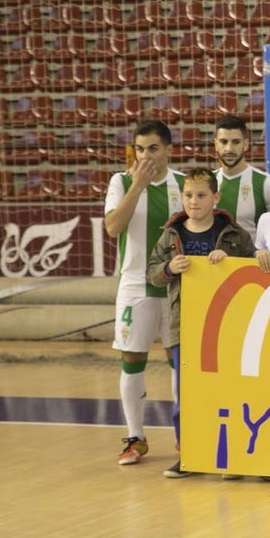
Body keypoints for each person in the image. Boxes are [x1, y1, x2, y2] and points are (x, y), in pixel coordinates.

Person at [146, 168, 256, 478]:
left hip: (228, 328)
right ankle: (190, 454)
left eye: (201, 195)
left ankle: (232, 456)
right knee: (188, 395)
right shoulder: (171, 235)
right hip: (186, 328)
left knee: (230, 393)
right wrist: (169, 267)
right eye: (188, 196)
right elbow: (152, 274)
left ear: (216, 197)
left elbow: (254, 272)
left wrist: (231, 263)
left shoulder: (234, 235)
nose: (194, 202)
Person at [103, 120, 184, 466]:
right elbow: (112, 228)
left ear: (168, 149)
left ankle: (187, 435)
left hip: (178, 284)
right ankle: (136, 436)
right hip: (135, 284)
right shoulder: (120, 182)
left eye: (153, 148)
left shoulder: (183, 184)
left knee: (178, 358)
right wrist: (137, 185)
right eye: (140, 149)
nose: (146, 155)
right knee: (132, 357)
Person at [213, 114, 270, 240]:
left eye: (236, 142)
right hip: (212, 259)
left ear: (246, 144)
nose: (229, 149)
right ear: (216, 144)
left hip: (251, 259)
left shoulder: (265, 183)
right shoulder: (208, 182)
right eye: (224, 142)